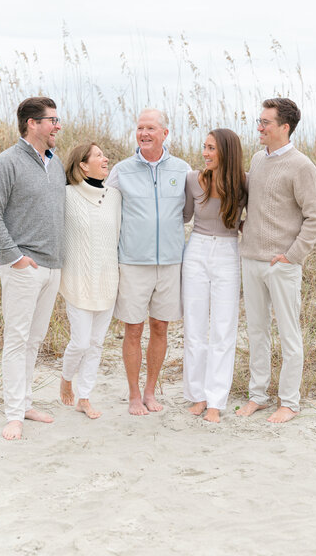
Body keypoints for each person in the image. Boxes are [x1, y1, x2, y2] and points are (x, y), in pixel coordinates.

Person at [236, 98, 316, 423]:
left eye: (265, 122)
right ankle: (258, 396)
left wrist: (292, 255)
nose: (259, 127)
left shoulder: (302, 166)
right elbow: (254, 205)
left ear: (284, 127)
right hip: (251, 259)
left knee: (289, 334)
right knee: (257, 332)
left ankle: (289, 402)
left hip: (282, 264)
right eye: (259, 121)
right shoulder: (258, 160)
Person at [0, 97, 65, 440]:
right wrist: (16, 257)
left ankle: (25, 403)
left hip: (53, 266)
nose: (58, 126)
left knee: (35, 340)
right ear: (32, 123)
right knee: (16, 340)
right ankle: (13, 414)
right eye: (52, 120)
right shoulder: (6, 163)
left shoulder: (54, 163)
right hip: (23, 267)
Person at [106, 108, 190, 415]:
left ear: (165, 134)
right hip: (132, 262)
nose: (144, 133)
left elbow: (188, 210)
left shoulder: (182, 169)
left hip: (170, 262)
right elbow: (105, 210)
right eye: (140, 128)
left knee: (160, 326)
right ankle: (132, 395)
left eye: (151, 128)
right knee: (133, 328)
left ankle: (151, 392)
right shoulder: (122, 170)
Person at [182, 129, 247, 423]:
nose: (205, 153)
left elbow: (254, 218)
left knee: (223, 328)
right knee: (194, 326)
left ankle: (216, 401)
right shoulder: (192, 179)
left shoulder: (244, 182)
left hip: (227, 252)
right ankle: (198, 395)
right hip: (195, 250)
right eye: (204, 147)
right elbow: (183, 216)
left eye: (211, 148)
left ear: (226, 152)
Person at [59, 142, 121, 419]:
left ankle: (84, 397)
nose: (105, 158)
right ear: (83, 165)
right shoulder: (66, 195)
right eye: (98, 155)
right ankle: (66, 376)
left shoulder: (115, 196)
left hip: (108, 279)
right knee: (81, 342)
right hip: (77, 279)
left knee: (96, 344)